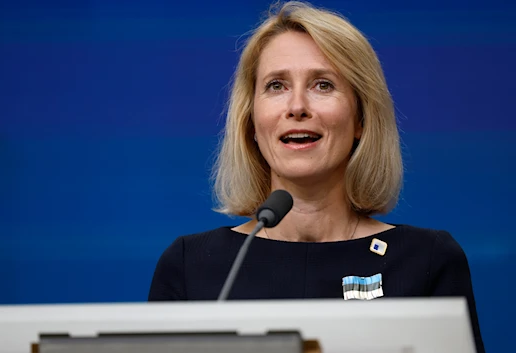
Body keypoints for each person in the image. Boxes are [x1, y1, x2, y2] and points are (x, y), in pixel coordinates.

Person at [148, 1, 485, 352]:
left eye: (322, 85)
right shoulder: (191, 265)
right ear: (250, 122)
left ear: (361, 119)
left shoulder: (427, 260)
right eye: (276, 86)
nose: (297, 107)